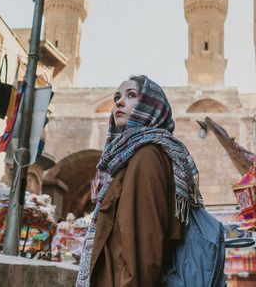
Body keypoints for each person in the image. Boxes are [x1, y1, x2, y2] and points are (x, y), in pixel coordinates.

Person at [76, 75, 203, 286]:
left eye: (131, 95)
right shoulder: (128, 157)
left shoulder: (145, 156)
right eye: (117, 96)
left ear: (150, 106)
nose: (119, 101)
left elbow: (144, 248)